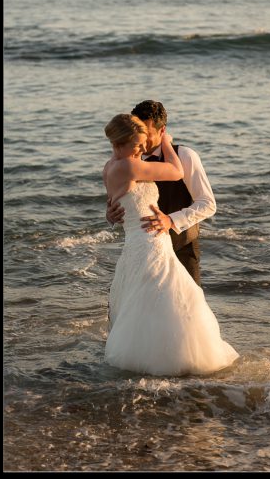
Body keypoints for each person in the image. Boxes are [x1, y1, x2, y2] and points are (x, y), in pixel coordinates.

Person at [102, 113, 238, 376]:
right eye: (137, 143)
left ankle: (152, 360)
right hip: (150, 242)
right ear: (122, 141)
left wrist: (110, 216)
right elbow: (175, 172)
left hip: (147, 243)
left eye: (145, 139)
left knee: (159, 302)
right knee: (169, 302)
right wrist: (167, 142)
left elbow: (120, 207)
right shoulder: (131, 166)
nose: (142, 148)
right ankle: (172, 363)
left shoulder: (111, 166)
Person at [106, 100, 216, 287]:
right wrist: (110, 215)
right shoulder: (128, 159)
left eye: (147, 134)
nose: (141, 141)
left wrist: (171, 220)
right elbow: (121, 199)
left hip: (182, 247)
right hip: (143, 251)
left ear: (162, 130)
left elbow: (207, 204)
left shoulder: (185, 156)